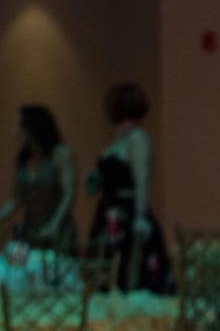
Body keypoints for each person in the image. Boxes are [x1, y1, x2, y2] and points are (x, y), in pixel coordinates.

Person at [85, 82, 172, 292]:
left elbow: (141, 179)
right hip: (108, 213)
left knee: (129, 272)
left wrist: (140, 216)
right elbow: (96, 187)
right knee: (106, 269)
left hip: (127, 214)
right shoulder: (115, 143)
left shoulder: (137, 138)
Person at [0, 104, 78, 253]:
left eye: (19, 127)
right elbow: (16, 199)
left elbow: (68, 193)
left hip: (57, 229)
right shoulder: (24, 160)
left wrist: (54, 224)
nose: (15, 133)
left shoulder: (60, 153)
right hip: (32, 230)